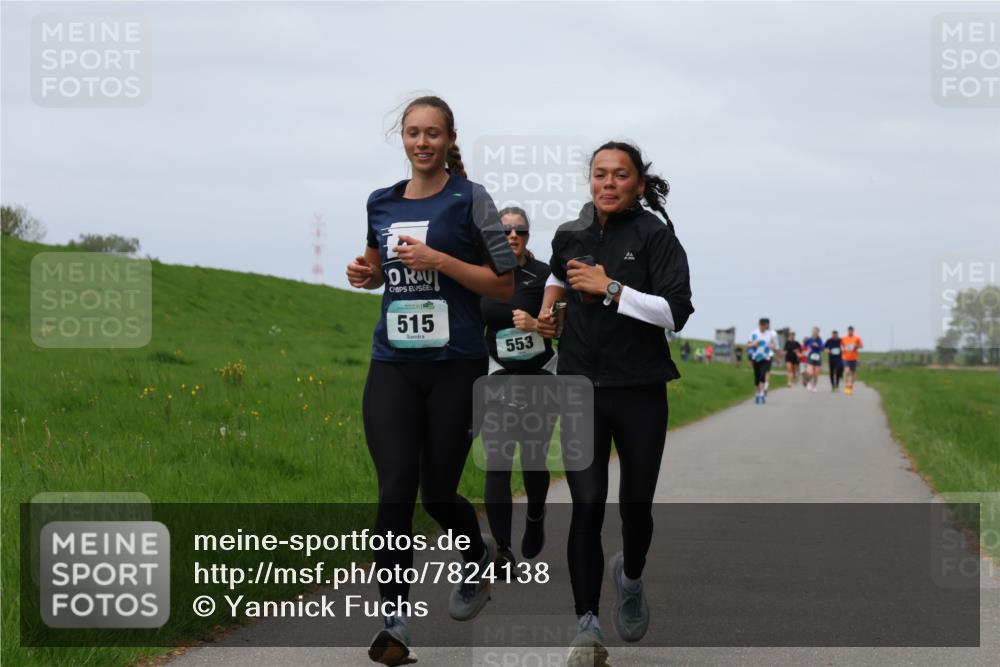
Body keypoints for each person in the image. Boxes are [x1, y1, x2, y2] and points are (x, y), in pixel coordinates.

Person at [346, 95, 518, 666]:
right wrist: (364, 274)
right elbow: (379, 271)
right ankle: (395, 622)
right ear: (403, 137)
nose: (422, 143)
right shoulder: (381, 201)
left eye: (433, 134)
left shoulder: (472, 199)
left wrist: (439, 261)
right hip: (393, 364)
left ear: (449, 139)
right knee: (395, 487)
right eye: (413, 133)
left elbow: (503, 284)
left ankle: (477, 555)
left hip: (456, 365)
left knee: (437, 493)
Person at [535, 141, 693, 665]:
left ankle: (631, 577)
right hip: (579, 385)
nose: (608, 183)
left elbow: (675, 312)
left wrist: (611, 289)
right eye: (599, 174)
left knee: (635, 508)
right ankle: (587, 627)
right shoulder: (571, 232)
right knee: (586, 505)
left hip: (640, 389)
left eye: (619, 175)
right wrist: (548, 311)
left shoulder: (656, 236)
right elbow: (558, 273)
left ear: (638, 184)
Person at [479, 206, 557, 567]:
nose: (512, 236)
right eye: (505, 231)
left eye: (520, 231)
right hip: (497, 375)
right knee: (497, 461)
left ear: (528, 236)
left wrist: (535, 325)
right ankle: (502, 550)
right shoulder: (482, 274)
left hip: (539, 375)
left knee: (532, 458)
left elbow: (565, 328)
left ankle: (536, 515)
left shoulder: (544, 275)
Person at [747, 317, 779, 404]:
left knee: (763, 374)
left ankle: (761, 394)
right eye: (764, 325)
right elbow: (748, 345)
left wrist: (772, 347)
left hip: (766, 357)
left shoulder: (770, 334)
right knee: (757, 377)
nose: (765, 327)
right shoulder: (754, 333)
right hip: (756, 357)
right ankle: (757, 393)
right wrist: (753, 344)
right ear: (760, 325)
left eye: (766, 325)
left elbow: (775, 346)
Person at [841, 325, 864, 395]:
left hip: (854, 358)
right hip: (845, 357)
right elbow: (840, 346)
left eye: (851, 331)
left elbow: (861, 346)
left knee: (853, 373)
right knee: (846, 371)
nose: (850, 332)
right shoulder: (843, 338)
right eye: (849, 331)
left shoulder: (857, 338)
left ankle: (851, 386)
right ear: (847, 331)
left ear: (853, 331)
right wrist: (843, 349)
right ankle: (846, 385)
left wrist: (856, 346)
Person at [802, 326, 825, 393]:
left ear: (818, 333)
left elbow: (822, 348)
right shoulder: (809, 339)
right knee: (810, 372)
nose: (815, 332)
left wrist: (818, 346)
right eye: (814, 331)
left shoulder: (819, 340)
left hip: (817, 357)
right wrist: (804, 342)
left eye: (816, 331)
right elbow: (804, 345)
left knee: (816, 374)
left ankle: (814, 387)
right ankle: (808, 383)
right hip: (810, 357)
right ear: (812, 332)